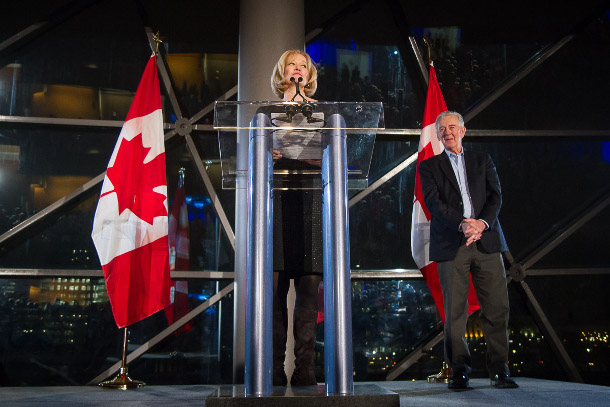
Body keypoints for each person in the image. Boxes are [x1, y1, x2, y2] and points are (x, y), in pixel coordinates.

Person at [418, 111, 518, 390]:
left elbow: (496, 196)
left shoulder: (482, 160)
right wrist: (462, 224)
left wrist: (481, 224)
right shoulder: (429, 166)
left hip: (486, 242)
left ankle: (500, 369)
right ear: (437, 134)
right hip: (452, 244)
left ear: (463, 130)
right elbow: (434, 204)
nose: (447, 132)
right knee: (455, 311)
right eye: (442, 129)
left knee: (497, 308)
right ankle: (459, 369)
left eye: (452, 127)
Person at [269, 50, 321, 386]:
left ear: (309, 74)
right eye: (293, 65)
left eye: (304, 66)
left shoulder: (324, 114)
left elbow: (332, 152)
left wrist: (292, 155)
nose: (298, 69)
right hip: (277, 206)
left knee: (307, 291)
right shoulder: (265, 113)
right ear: (283, 72)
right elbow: (251, 151)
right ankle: (273, 366)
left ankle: (305, 369)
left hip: (312, 203)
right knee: (274, 293)